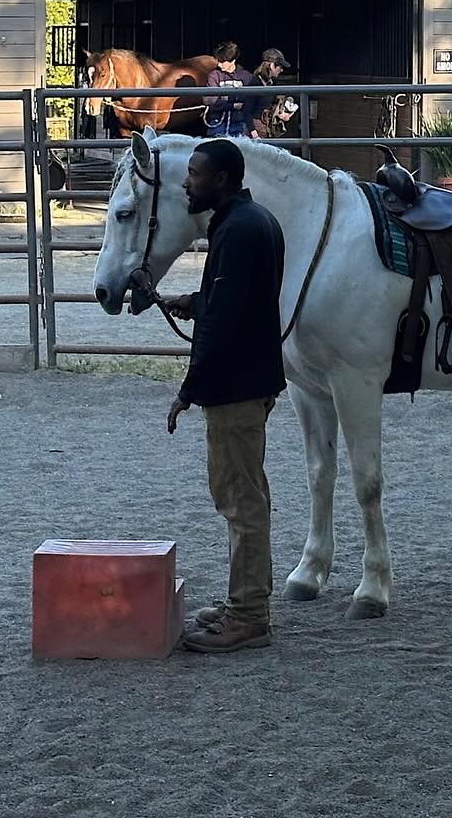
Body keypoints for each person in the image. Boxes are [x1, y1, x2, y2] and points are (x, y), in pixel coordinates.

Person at [163, 140, 287, 653]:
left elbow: (225, 321)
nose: (187, 183)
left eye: (195, 174)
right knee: (245, 495)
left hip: (235, 386)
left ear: (222, 179)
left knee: (240, 500)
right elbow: (232, 298)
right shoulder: (255, 220)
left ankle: (249, 616)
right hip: (252, 380)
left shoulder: (236, 230)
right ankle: (245, 601)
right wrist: (190, 301)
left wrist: (187, 391)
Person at [205, 41, 254, 138]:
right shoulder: (214, 75)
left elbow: (251, 101)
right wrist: (233, 105)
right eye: (218, 61)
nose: (219, 64)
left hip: (239, 123)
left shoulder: (246, 77)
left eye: (223, 62)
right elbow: (209, 100)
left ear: (233, 60)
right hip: (217, 122)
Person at [245, 48, 294, 139]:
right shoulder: (255, 82)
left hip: (266, 127)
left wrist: (281, 114)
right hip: (256, 128)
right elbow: (247, 110)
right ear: (272, 65)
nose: (282, 70)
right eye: (280, 67)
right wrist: (253, 132)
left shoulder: (271, 83)